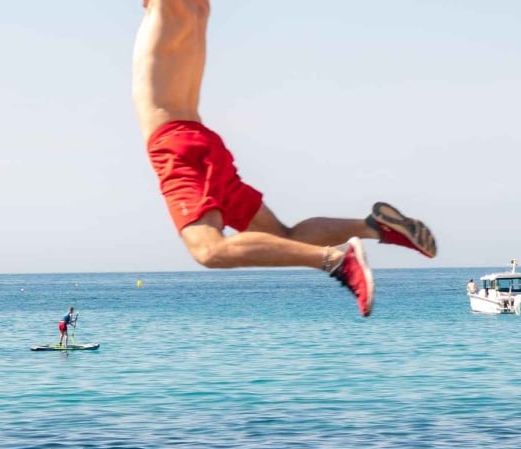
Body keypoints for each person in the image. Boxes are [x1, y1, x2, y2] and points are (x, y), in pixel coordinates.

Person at [134, 0, 437, 318]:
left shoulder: (167, 11)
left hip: (174, 145)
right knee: (282, 237)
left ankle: (337, 260)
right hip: (200, 138)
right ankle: (376, 227)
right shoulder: (198, 11)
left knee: (208, 250)